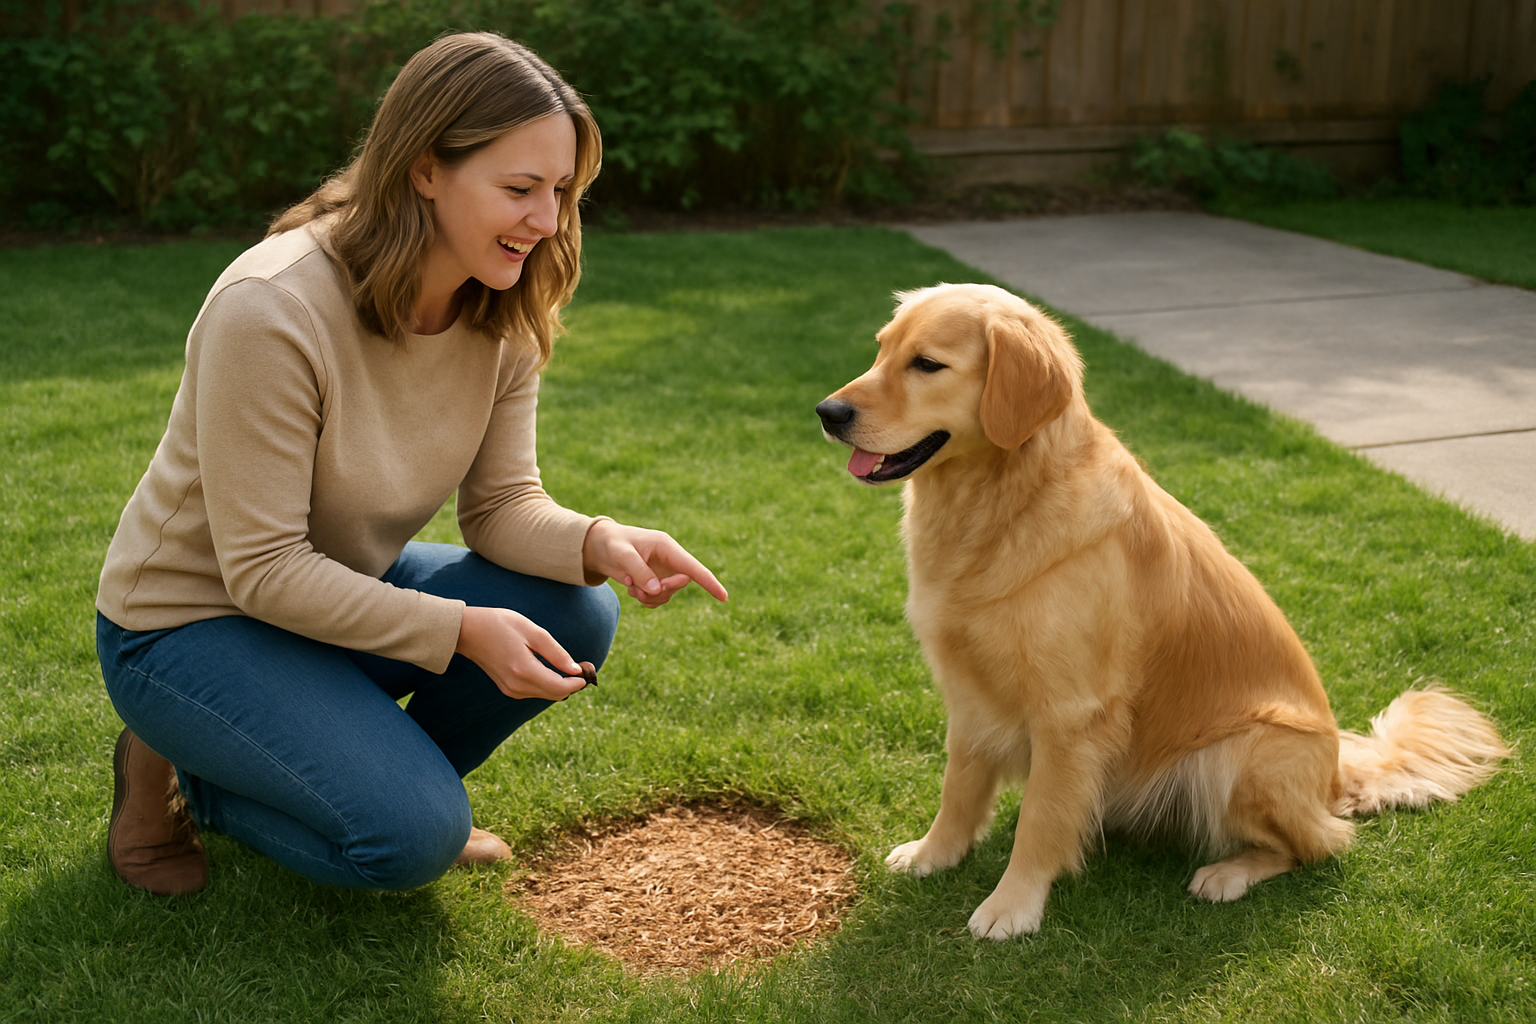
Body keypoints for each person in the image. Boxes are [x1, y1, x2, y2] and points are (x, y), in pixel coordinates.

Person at [95, 31, 727, 897]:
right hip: (187, 624)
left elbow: (502, 505)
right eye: (519, 189)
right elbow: (263, 569)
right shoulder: (271, 309)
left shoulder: (499, 298)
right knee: (407, 842)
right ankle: (186, 773)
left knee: (578, 609)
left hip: (326, 594)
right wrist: (462, 630)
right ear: (425, 169)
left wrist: (601, 540)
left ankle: (393, 794)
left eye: (560, 192)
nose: (546, 222)